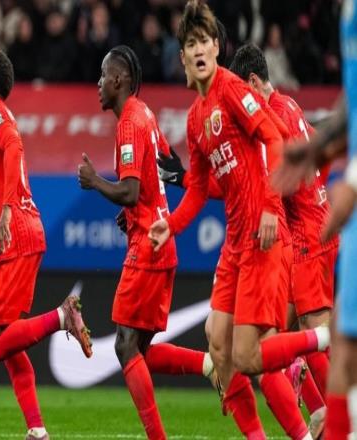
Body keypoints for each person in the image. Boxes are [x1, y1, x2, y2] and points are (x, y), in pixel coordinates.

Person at [148, 2, 330, 439]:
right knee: (217, 341)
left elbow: (274, 138)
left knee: (250, 357)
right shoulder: (195, 118)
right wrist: (171, 225)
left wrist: (269, 205)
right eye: (190, 44)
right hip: (235, 244)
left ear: (216, 47)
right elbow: (198, 189)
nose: (198, 50)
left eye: (204, 42)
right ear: (182, 56)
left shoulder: (233, 89)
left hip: (265, 236)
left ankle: (323, 341)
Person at [78, 44, 213, 440]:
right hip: (160, 241)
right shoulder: (146, 116)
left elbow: (131, 190)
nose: (98, 83)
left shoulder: (130, 122)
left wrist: (95, 181)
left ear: (119, 79)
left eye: (103, 75)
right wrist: (136, 210)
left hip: (149, 245)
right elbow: (161, 176)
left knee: (124, 346)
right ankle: (210, 366)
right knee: (140, 350)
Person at [0, 48, 92, 440]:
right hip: (24, 232)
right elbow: (8, 154)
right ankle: (37, 430)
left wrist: (4, 206)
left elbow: (14, 146)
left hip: (16, 233)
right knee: (10, 344)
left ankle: (62, 317)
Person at [228, 42, 339, 437]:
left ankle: (339, 415)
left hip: (307, 234)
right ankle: (321, 411)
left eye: (242, 93)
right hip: (315, 225)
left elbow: (284, 175)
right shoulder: (290, 105)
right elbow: (320, 150)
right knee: (284, 331)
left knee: (316, 330)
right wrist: (316, 191)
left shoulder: (272, 115)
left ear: (253, 82)